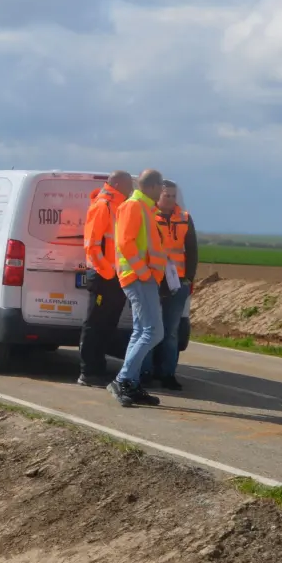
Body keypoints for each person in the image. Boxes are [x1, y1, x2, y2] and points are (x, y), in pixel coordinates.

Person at [109, 169, 168, 408]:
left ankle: (130, 383)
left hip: (142, 277)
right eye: (161, 188)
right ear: (153, 187)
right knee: (154, 332)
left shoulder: (143, 208)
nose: (163, 193)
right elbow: (125, 242)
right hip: (139, 277)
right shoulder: (134, 206)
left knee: (141, 331)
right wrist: (143, 273)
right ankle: (123, 379)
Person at [78, 170, 134, 388]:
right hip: (104, 276)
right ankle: (88, 372)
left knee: (107, 325)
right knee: (95, 324)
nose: (131, 190)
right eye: (129, 185)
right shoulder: (103, 205)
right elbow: (91, 245)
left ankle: (97, 369)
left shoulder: (119, 205)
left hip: (115, 277)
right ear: (118, 184)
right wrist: (108, 273)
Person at [143, 179, 197, 390]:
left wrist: (188, 278)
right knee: (149, 328)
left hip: (177, 282)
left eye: (174, 196)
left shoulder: (184, 218)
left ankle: (168, 374)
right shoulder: (148, 215)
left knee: (171, 330)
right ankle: (145, 372)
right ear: (159, 196)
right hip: (153, 279)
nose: (171, 200)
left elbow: (191, 250)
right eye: (167, 196)